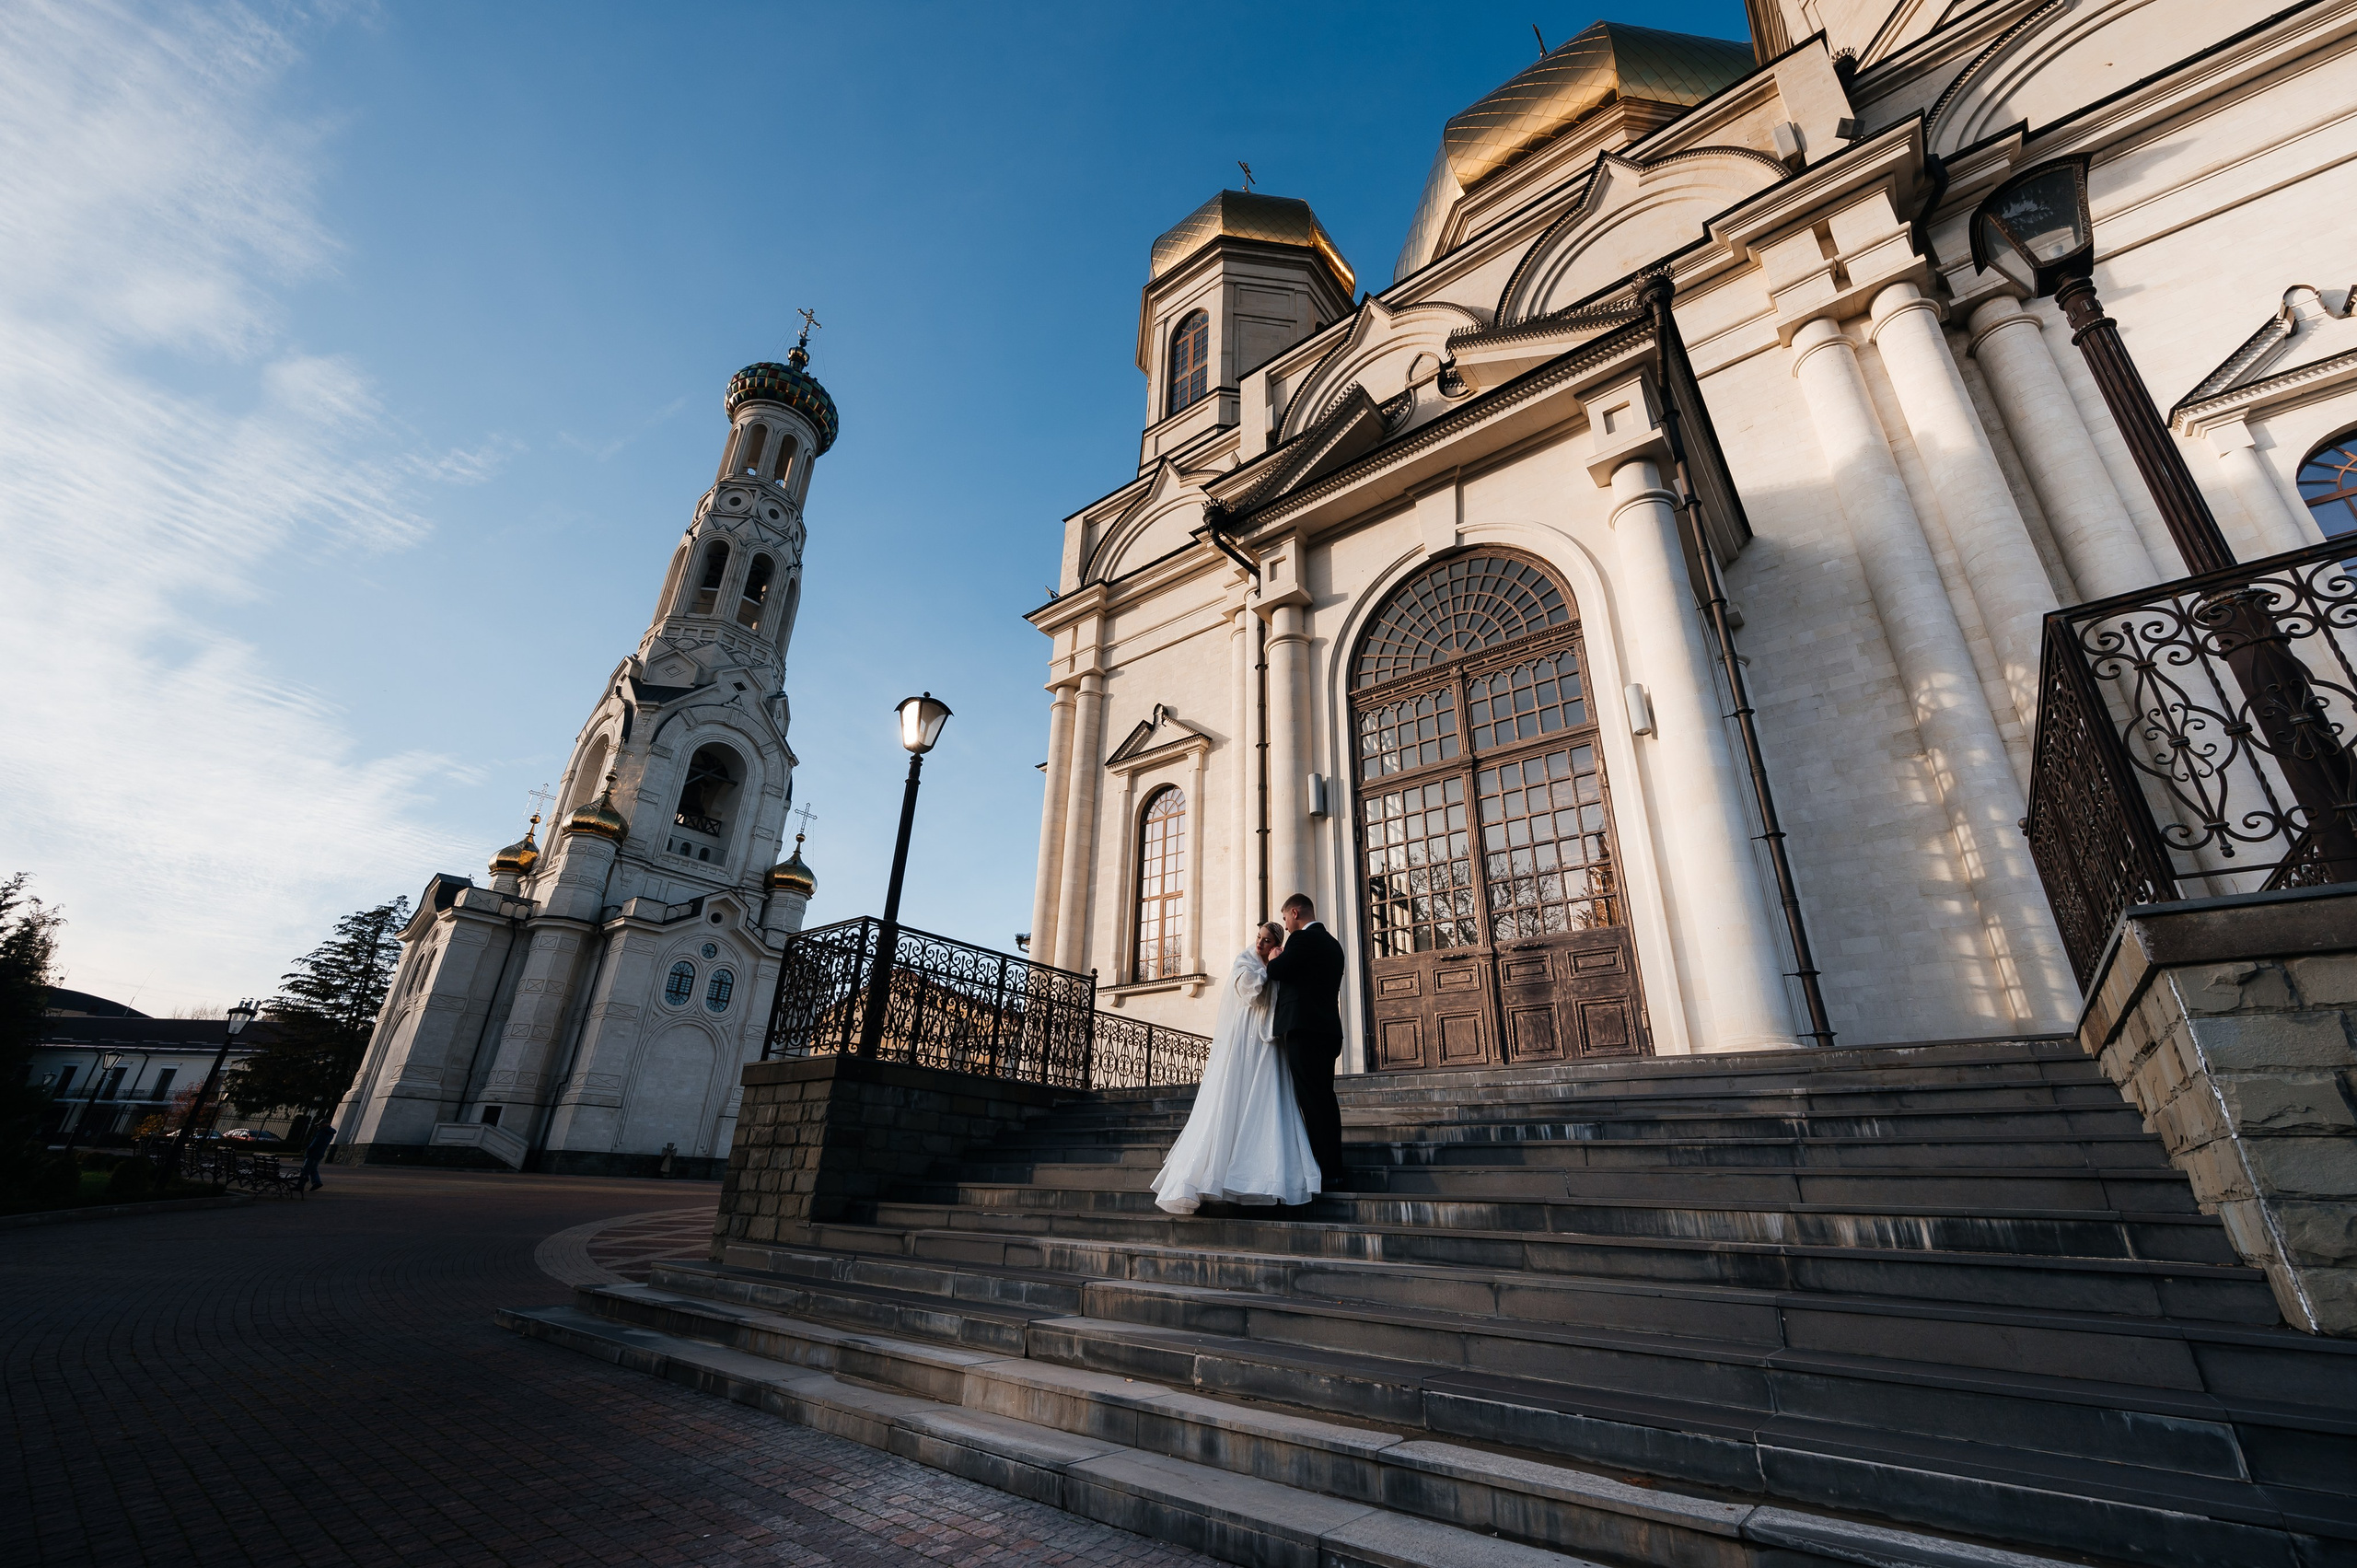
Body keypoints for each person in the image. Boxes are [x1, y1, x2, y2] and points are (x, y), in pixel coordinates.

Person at [1150, 922, 1320, 1214]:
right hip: (1245, 1036)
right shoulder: (1245, 960)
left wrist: (1278, 966)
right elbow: (1249, 990)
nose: (1260, 944)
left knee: (1269, 1098)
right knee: (1234, 1095)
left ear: (1275, 943)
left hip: (1269, 1038)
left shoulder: (1277, 965)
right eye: (1259, 938)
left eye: (1267, 941)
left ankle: (1266, 1176)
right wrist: (1272, 967)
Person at [1261, 893, 1349, 1191]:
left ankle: (1321, 1171)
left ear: (1295, 913)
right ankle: (1333, 1168)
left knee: (1311, 1102)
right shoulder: (1334, 945)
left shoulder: (1301, 940)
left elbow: (1278, 972)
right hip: (1328, 1031)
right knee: (1325, 1099)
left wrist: (1275, 958)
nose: (1286, 926)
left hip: (1304, 1030)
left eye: (1285, 919)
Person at [300, 1120, 335, 1191]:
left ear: (325, 1124)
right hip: (320, 1153)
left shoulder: (322, 1132)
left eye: (320, 1124)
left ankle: (300, 1185)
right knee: (313, 1168)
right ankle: (316, 1182)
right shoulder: (330, 1133)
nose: (319, 1126)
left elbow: (315, 1143)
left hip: (314, 1153)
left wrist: (309, 1150)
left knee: (305, 1169)